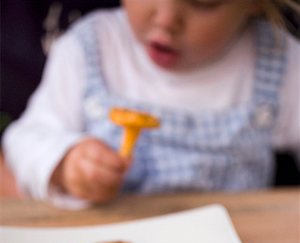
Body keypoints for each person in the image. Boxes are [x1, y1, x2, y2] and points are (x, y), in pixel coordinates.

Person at [2, 0, 300, 209]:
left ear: (255, 3)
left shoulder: (280, 60)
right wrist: (66, 164)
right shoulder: (90, 46)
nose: (166, 19)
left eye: (204, 2)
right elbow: (25, 138)